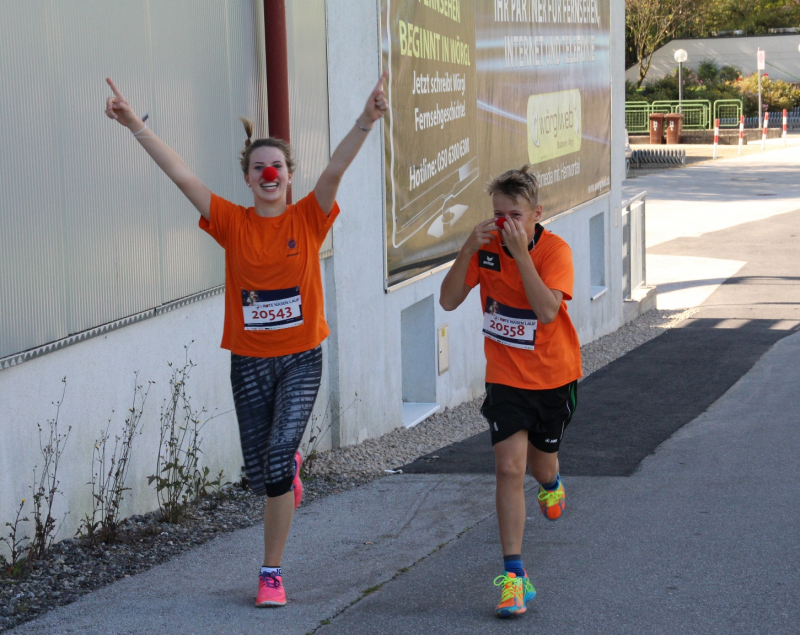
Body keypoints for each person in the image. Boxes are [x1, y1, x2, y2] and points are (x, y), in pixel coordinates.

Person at [104, 72, 388, 608]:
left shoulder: (308, 217)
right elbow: (180, 175)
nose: (269, 174)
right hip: (250, 363)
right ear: (248, 176)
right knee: (261, 477)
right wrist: (134, 125)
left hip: (302, 359)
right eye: (259, 168)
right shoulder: (231, 222)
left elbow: (336, 168)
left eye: (277, 167)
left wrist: (366, 120)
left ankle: (271, 573)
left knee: (278, 459)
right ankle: (286, 473)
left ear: (288, 175)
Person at [439, 166, 581, 618]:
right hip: (505, 376)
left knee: (540, 466)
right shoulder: (485, 250)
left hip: (554, 377)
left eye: (515, 216)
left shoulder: (555, 251)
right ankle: (514, 578)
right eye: (499, 215)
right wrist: (467, 248)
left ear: (537, 214)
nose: (506, 225)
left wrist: (521, 255)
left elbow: (545, 311)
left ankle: (552, 482)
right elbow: (447, 300)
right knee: (507, 468)